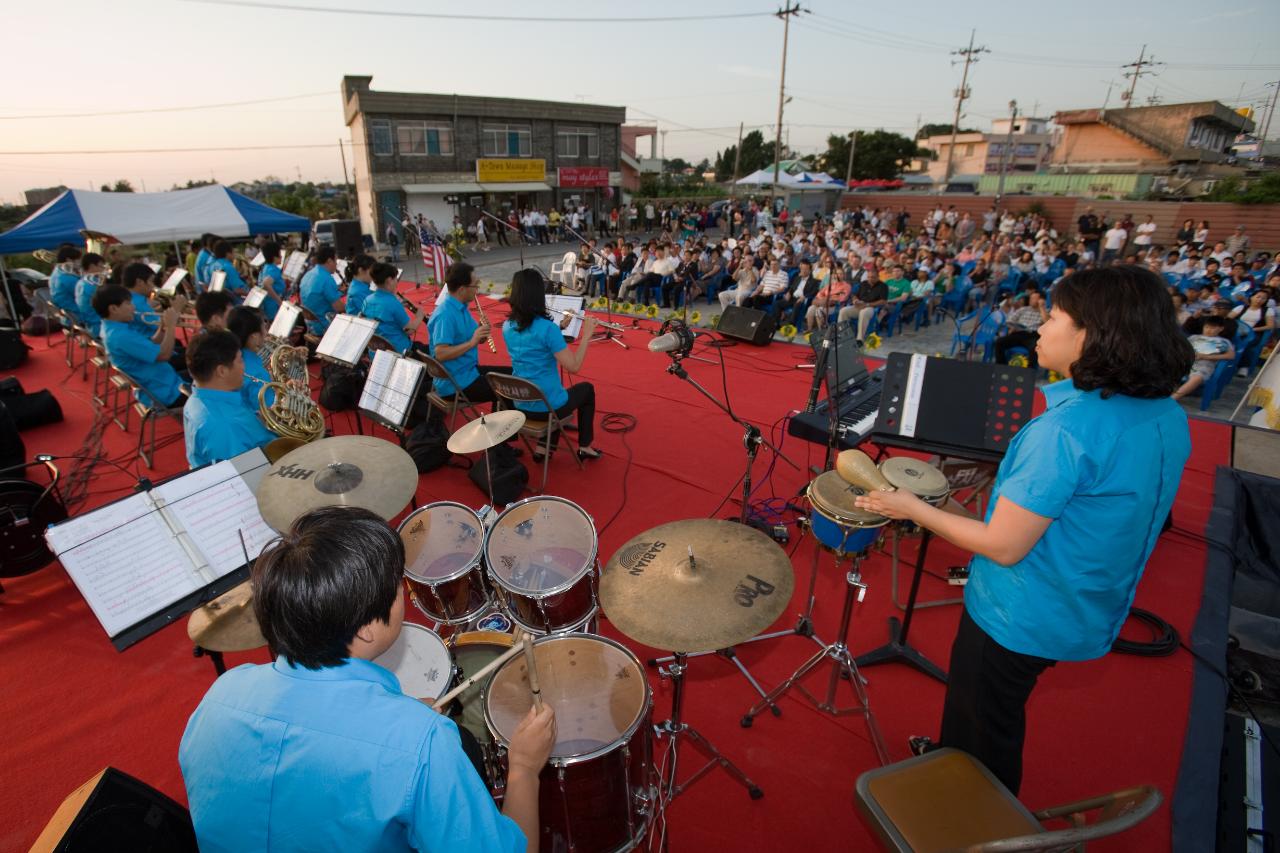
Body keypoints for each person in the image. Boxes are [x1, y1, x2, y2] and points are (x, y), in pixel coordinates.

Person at [854, 265, 1193, 795]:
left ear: (1093, 335)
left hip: (1021, 612)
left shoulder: (1063, 430)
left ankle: (971, 806)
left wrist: (911, 508)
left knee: (987, 722)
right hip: (1085, 598)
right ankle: (951, 759)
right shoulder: (1164, 413)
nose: (1037, 327)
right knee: (991, 709)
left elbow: (1004, 546)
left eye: (1054, 317)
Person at [179, 505, 555, 851]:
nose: (404, 591)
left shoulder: (218, 698)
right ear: (366, 630)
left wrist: (399, 726)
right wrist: (524, 768)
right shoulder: (424, 746)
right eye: (397, 586)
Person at [502, 268, 601, 460]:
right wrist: (587, 335)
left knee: (556, 391)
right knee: (585, 390)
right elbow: (574, 367)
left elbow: (533, 337)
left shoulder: (508, 326)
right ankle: (585, 446)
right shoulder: (547, 329)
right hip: (546, 407)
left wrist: (561, 326)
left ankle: (543, 448)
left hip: (521, 402)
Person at [181, 329, 278, 468]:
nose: (244, 367)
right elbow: (250, 477)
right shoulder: (225, 426)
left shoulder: (199, 396)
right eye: (240, 360)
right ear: (222, 371)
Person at [427, 262, 511, 406]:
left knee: (514, 375)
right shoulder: (445, 314)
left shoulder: (461, 307)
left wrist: (481, 330)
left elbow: (476, 339)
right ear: (461, 289)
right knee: (509, 389)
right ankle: (503, 426)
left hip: (467, 371)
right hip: (455, 383)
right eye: (475, 286)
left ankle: (502, 422)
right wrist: (473, 341)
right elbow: (441, 353)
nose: (477, 290)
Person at [93, 284, 186, 409]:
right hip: (166, 392)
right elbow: (164, 355)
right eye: (128, 304)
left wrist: (163, 327)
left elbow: (151, 343)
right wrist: (171, 327)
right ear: (114, 309)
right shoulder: (120, 335)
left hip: (165, 381)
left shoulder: (114, 328)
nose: (133, 307)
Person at [362, 262, 427, 355]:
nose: (397, 282)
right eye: (395, 279)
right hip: (398, 352)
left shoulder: (367, 300)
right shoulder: (393, 303)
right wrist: (420, 316)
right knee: (428, 351)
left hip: (375, 352)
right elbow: (410, 330)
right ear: (389, 280)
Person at [1172, 315, 1234, 401]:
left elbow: (1231, 356)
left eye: (1213, 328)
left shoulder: (1223, 342)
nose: (1208, 330)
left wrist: (1206, 356)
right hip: (1185, 362)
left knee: (1197, 377)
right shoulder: (1194, 337)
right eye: (1206, 327)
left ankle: (1173, 399)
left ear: (1221, 329)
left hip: (1204, 365)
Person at [227, 306, 275, 411]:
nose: (266, 333)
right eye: (264, 327)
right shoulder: (258, 374)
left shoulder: (229, 356)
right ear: (254, 336)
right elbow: (271, 414)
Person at [994, 289, 1048, 367]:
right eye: (1030, 298)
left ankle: (1029, 372)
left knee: (1035, 349)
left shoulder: (1046, 312)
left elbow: (1047, 322)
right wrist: (1013, 326)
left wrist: (1042, 307)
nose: (1030, 300)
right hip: (1019, 332)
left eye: (1033, 298)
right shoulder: (1024, 309)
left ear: (1041, 300)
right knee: (999, 342)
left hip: (1033, 336)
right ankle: (1001, 367)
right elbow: (1009, 321)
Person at [300, 246, 343, 334]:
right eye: (335, 261)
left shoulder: (308, 274)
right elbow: (339, 308)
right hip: (324, 326)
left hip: (311, 324)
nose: (336, 264)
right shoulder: (326, 279)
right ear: (329, 261)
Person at [74, 253, 107, 337]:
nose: (103, 269)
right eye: (101, 266)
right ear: (92, 266)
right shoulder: (93, 285)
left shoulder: (81, 282)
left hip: (89, 323)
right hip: (98, 325)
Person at [49, 244, 83, 323]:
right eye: (78, 259)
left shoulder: (57, 272)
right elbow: (86, 296)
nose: (80, 262)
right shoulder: (67, 278)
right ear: (69, 260)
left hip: (67, 314)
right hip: (77, 315)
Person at [254, 241, 286, 321]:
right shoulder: (273, 270)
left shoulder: (266, 267)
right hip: (273, 308)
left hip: (267, 307)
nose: (281, 256)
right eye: (279, 254)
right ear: (275, 257)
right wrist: (279, 301)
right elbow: (266, 283)